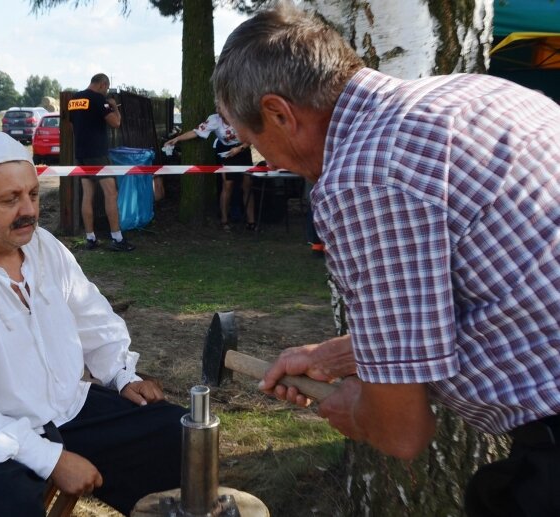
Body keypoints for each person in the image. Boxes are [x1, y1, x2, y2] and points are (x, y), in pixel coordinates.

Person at [212, 3, 560, 516]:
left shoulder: (363, 179)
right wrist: (334, 357)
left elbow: (403, 432)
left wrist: (358, 406)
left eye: (256, 143)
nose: (269, 164)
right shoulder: (471, 94)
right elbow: (495, 291)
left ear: (281, 114)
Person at [0, 130, 184, 516]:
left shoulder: (41, 246)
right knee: (14, 504)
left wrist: (123, 375)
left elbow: (91, 315)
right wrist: (54, 461)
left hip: (59, 407)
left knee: (173, 430)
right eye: (10, 199)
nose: (29, 210)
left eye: (33, 194)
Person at [68, 73, 134, 251]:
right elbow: (116, 123)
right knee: (111, 194)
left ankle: (90, 238)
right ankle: (117, 239)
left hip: (81, 153)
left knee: (87, 195)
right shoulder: (99, 99)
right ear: (103, 84)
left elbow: (72, 126)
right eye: (106, 88)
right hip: (98, 154)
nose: (106, 92)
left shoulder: (74, 100)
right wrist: (114, 107)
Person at [165, 109, 256, 231]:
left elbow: (252, 136)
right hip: (227, 152)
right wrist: (177, 139)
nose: (222, 114)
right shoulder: (214, 119)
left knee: (247, 185)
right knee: (227, 185)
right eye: (220, 111)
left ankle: (251, 221)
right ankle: (224, 221)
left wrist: (240, 148)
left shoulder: (241, 114)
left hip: (242, 150)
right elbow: (196, 132)